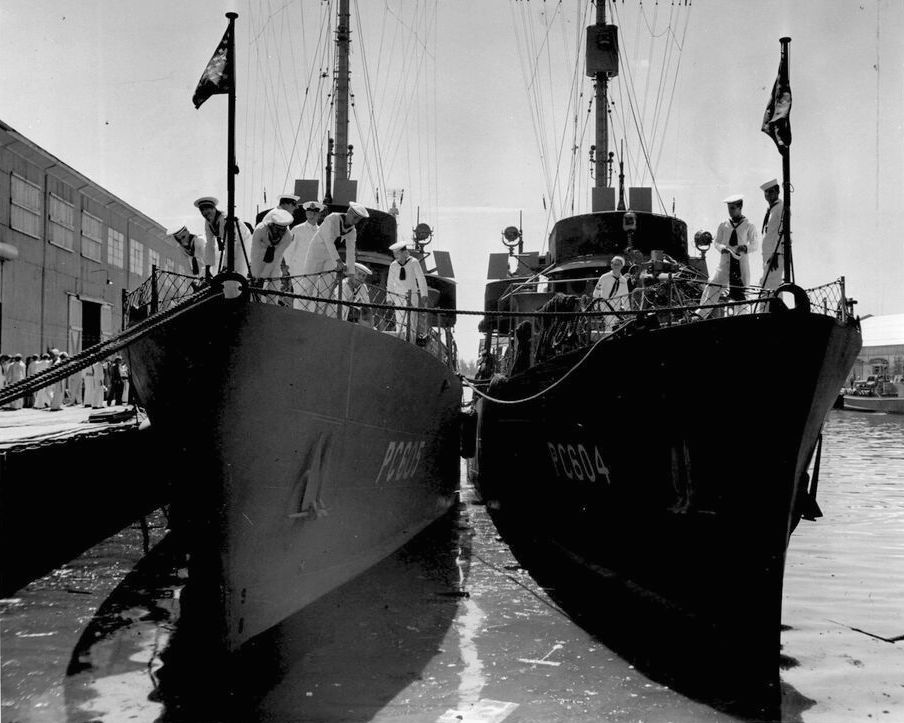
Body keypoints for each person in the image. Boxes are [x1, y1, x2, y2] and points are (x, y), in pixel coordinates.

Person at [696, 194, 759, 318]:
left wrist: (745, 248)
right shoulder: (723, 225)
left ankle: (741, 318)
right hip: (725, 264)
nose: (730, 211)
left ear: (740, 207)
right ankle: (700, 314)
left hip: (740, 265)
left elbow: (755, 244)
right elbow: (716, 242)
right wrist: (721, 248)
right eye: (729, 208)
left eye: (733, 208)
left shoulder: (749, 225)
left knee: (742, 293)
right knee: (713, 286)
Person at [300, 202, 369, 314]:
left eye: (359, 219)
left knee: (326, 291)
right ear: (349, 213)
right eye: (355, 217)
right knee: (308, 285)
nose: (356, 221)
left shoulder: (352, 231)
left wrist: (351, 275)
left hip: (331, 257)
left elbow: (350, 253)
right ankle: (299, 312)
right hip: (316, 252)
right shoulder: (332, 218)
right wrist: (338, 261)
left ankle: (320, 316)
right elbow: (328, 240)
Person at [194, 196, 251, 277]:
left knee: (239, 270)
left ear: (214, 208)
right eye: (202, 211)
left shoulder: (224, 219)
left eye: (207, 210)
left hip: (243, 240)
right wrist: (207, 268)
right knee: (227, 271)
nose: (204, 213)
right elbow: (209, 245)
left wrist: (225, 266)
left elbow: (229, 243)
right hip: (231, 243)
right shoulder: (208, 223)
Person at [283, 201, 325, 309]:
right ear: (306, 213)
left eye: (315, 212)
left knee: (313, 299)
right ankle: (298, 319)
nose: (312, 214)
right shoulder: (297, 229)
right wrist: (291, 268)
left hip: (315, 271)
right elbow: (288, 250)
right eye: (310, 212)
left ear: (319, 215)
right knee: (300, 297)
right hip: (299, 271)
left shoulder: (321, 232)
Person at [387, 239, 428, 339]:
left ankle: (411, 340)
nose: (395, 256)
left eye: (397, 253)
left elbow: (421, 278)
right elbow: (390, 282)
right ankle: (400, 340)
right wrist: (389, 298)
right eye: (394, 254)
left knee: (411, 321)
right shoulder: (393, 265)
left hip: (412, 296)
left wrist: (424, 294)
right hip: (398, 297)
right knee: (399, 321)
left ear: (403, 252)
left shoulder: (413, 262)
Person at [248, 209, 295, 284]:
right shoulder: (260, 230)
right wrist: (256, 276)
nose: (279, 233)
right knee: (255, 283)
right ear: (271, 225)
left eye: (282, 230)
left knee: (274, 283)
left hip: (274, 263)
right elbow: (254, 254)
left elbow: (276, 256)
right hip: (258, 259)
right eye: (277, 229)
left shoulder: (288, 236)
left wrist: (263, 277)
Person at [757, 178, 784, 291]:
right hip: (768, 255)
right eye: (766, 192)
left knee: (770, 286)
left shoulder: (781, 208)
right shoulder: (772, 209)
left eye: (771, 191)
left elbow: (782, 231)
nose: (768, 194)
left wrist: (776, 253)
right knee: (768, 286)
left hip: (775, 255)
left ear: (778, 192)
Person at [591, 255, 631, 331]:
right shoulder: (604, 277)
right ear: (611, 265)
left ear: (622, 266)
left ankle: (610, 335)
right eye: (614, 264)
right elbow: (597, 291)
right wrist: (595, 306)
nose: (616, 266)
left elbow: (625, 296)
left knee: (614, 324)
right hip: (605, 304)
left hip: (616, 306)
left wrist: (628, 310)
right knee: (610, 323)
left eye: (618, 264)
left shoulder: (623, 281)